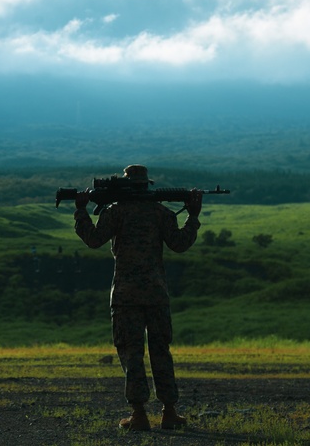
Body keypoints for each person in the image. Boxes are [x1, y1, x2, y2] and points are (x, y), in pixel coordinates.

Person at [73, 164, 201, 431]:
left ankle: (139, 414)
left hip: (125, 295)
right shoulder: (161, 213)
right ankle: (169, 412)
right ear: (146, 185)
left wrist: (81, 212)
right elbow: (179, 244)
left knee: (131, 353)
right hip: (156, 294)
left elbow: (94, 239)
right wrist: (193, 216)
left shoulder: (115, 212)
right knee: (160, 352)